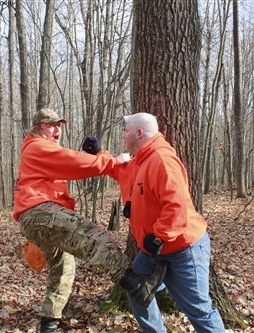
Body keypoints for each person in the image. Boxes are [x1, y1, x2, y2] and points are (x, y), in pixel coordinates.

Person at [13, 108, 167, 333]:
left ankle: (49, 323)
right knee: (94, 238)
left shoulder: (41, 150)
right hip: (40, 212)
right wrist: (112, 161)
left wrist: (97, 154)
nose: (57, 130)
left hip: (36, 218)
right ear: (38, 128)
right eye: (51, 125)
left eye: (59, 126)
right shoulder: (37, 146)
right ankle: (137, 285)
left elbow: (72, 161)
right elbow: (74, 162)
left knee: (63, 268)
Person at [84, 113, 225, 332]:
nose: (123, 135)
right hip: (153, 250)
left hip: (183, 249)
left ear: (140, 133)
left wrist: (158, 237)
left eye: (126, 130)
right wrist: (99, 154)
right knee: (137, 291)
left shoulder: (162, 160)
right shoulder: (141, 159)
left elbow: (177, 207)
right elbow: (122, 171)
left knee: (198, 309)